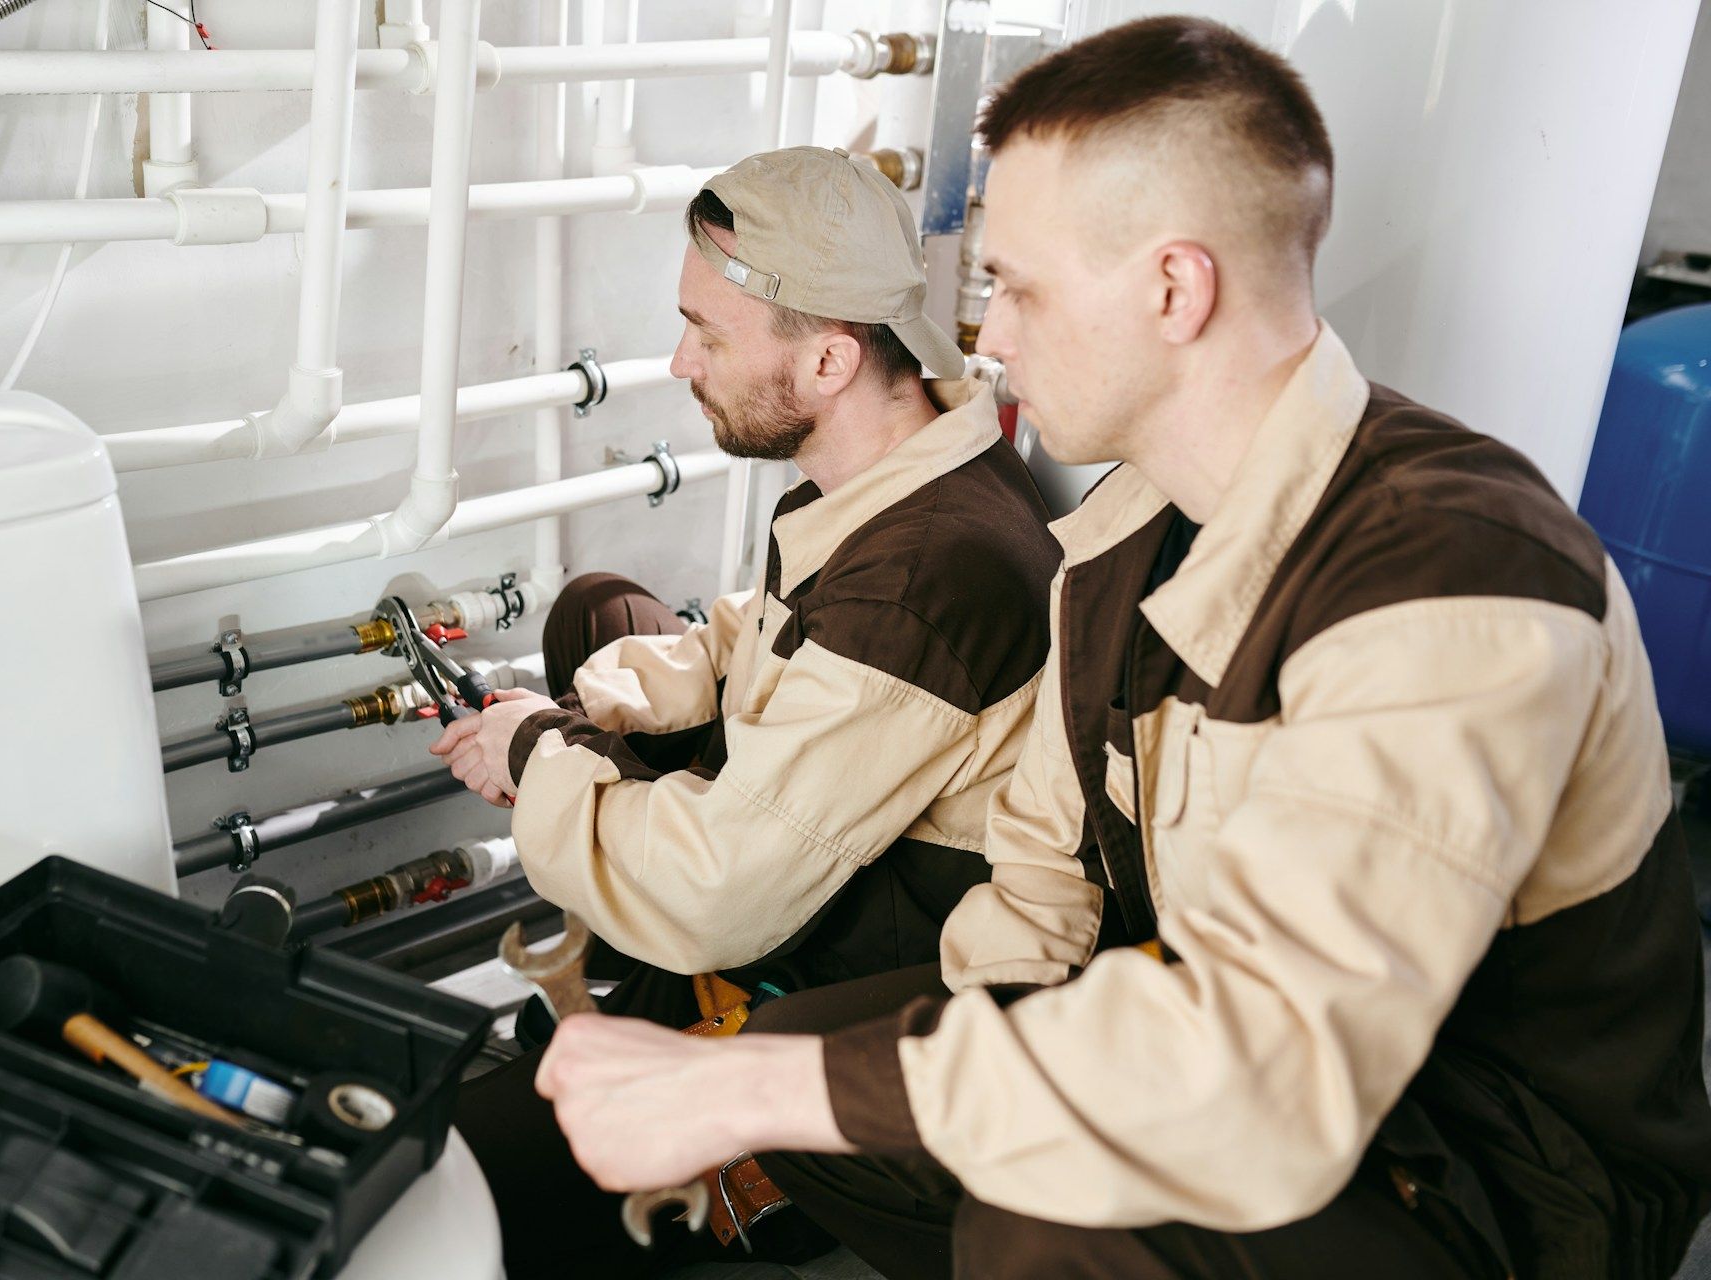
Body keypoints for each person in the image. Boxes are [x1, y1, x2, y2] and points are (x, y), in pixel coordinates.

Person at [532, 18, 1711, 1280]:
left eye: (1021, 289)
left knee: (1040, 1215)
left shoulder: (1454, 569)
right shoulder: (1124, 535)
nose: (987, 340)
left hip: (1493, 1168)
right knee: (849, 1069)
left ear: (1172, 287)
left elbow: (1272, 1067)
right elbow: (1044, 879)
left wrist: (760, 1097)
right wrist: (905, 1063)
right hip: (1267, 1052)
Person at [436, 145, 1062, 1275]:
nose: (679, 360)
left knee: (464, 1178)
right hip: (829, 840)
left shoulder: (929, 579)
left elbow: (714, 888)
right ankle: (659, 998)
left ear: (827, 358)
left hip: (858, 958)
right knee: (596, 617)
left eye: (709, 335)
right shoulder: (911, 462)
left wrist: (542, 752)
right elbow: (765, 625)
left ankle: (754, 1154)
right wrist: (607, 702)